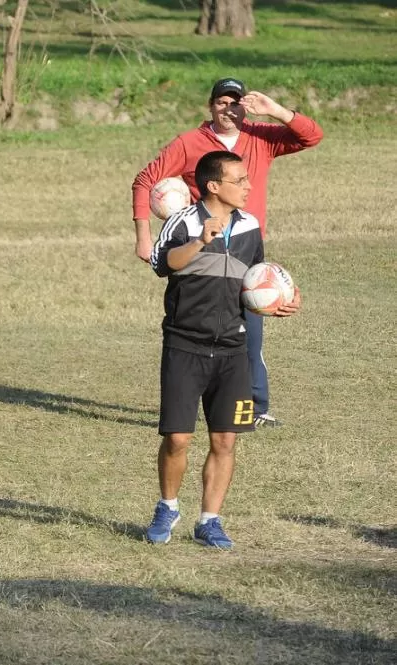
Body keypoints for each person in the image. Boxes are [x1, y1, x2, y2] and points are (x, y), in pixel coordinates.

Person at [132, 78, 322, 427]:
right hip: (202, 248)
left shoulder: (262, 137)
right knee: (198, 327)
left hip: (247, 243)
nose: (229, 108)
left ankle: (256, 407)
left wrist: (275, 110)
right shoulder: (189, 143)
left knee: (251, 327)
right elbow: (145, 180)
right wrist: (144, 236)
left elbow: (312, 136)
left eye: (236, 102)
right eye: (222, 102)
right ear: (211, 105)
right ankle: (194, 402)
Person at [144, 151, 300, 549]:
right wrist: (200, 242)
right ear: (214, 186)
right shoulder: (184, 222)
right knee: (178, 438)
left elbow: (257, 277)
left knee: (225, 440)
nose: (249, 186)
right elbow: (163, 264)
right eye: (240, 180)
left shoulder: (250, 226)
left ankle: (209, 520)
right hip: (184, 345)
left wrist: (278, 300)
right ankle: (168, 506)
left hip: (234, 348)